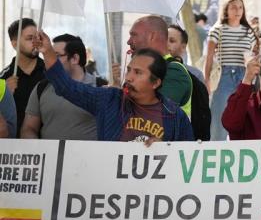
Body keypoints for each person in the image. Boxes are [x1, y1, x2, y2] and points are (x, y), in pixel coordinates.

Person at [34, 30, 193, 142]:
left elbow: (186, 158)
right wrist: (47, 51)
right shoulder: (109, 100)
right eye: (129, 70)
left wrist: (166, 149)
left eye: (138, 73)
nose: (128, 77)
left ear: (156, 83)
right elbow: (66, 87)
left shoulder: (175, 116)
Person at [21, 34, 97, 140]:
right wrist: (34, 144)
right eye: (48, 55)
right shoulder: (41, 88)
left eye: (56, 56)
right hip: (48, 151)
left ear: (75, 58)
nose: (49, 59)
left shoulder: (100, 87)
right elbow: (29, 128)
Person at [205, 0, 258, 141]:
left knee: (244, 116)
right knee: (219, 116)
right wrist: (207, 79)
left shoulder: (249, 32)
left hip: (244, 75)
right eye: (234, 7)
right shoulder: (217, 30)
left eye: (240, 7)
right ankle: (216, 147)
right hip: (224, 75)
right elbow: (209, 57)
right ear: (226, 10)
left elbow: (253, 54)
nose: (238, 11)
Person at [122, 16, 193, 117]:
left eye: (134, 35)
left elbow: (153, 113)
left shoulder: (175, 71)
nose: (128, 41)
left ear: (152, 36)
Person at [1, 18, 45, 137]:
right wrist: (5, 95)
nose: (35, 42)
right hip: (12, 145)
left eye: (37, 38)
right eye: (30, 38)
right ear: (14, 44)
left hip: (47, 144)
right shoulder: (3, 78)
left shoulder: (50, 73)